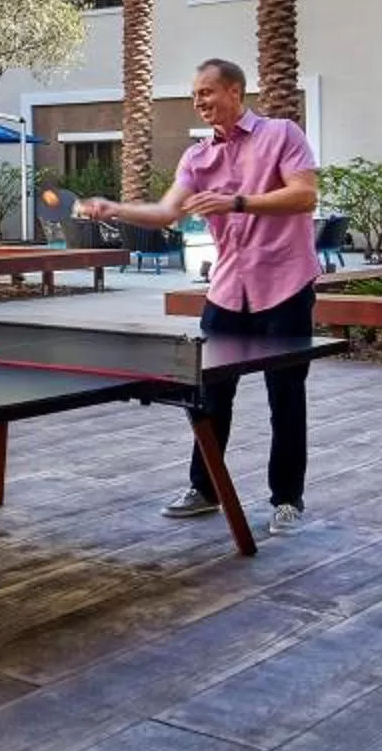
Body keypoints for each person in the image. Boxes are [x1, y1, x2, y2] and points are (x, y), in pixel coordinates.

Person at [74, 56, 321, 535]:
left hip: (286, 283)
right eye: (194, 96)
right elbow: (167, 212)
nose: (200, 102)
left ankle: (288, 500)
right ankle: (205, 488)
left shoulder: (281, 135)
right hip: (229, 289)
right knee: (206, 392)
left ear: (234, 91)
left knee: (285, 397)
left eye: (207, 92)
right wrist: (114, 208)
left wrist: (237, 201)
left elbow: (305, 196)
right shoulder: (197, 157)